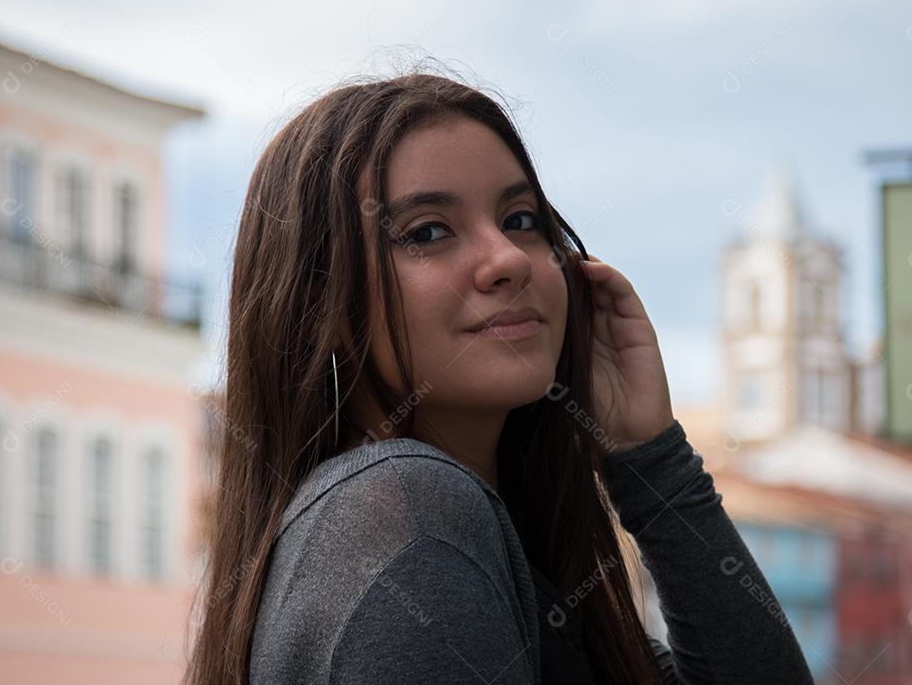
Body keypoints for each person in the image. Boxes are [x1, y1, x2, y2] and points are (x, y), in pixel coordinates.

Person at [183, 68, 814, 685]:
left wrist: (650, 456)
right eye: (428, 231)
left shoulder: (486, 552)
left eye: (519, 219)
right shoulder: (407, 513)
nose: (509, 258)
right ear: (323, 304)